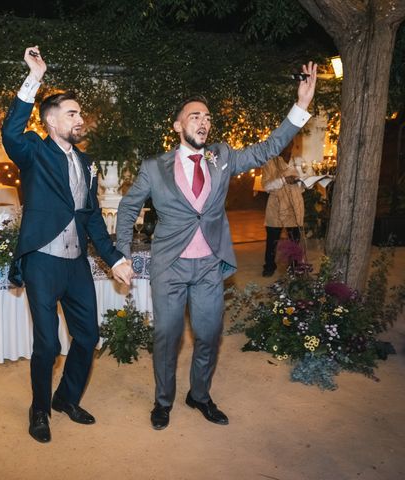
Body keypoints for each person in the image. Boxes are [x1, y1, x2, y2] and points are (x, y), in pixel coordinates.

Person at [116, 62, 317, 430]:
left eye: (207, 117)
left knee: (209, 335)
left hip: (209, 265)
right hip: (170, 267)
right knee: (167, 337)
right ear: (177, 126)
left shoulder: (220, 157)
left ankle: (200, 395)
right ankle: (164, 400)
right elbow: (128, 208)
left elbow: (268, 147)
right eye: (194, 117)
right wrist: (121, 255)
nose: (203, 122)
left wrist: (299, 107)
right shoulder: (154, 167)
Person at [2, 46, 134, 443]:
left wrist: (115, 260)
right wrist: (34, 78)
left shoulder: (86, 161)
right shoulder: (34, 152)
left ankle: (66, 398)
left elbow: (91, 216)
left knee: (89, 337)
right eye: (72, 113)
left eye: (79, 113)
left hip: (76, 264)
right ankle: (39, 409)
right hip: (42, 261)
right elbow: (10, 131)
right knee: (48, 343)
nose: (79, 119)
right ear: (50, 119)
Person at [261, 140, 305, 277]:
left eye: (290, 143)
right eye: (285, 143)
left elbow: (303, 187)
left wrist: (301, 182)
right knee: (272, 239)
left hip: (294, 206)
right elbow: (267, 186)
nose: (288, 147)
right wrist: (285, 180)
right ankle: (269, 265)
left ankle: (294, 265)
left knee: (295, 239)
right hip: (276, 207)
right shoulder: (270, 163)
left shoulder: (297, 161)